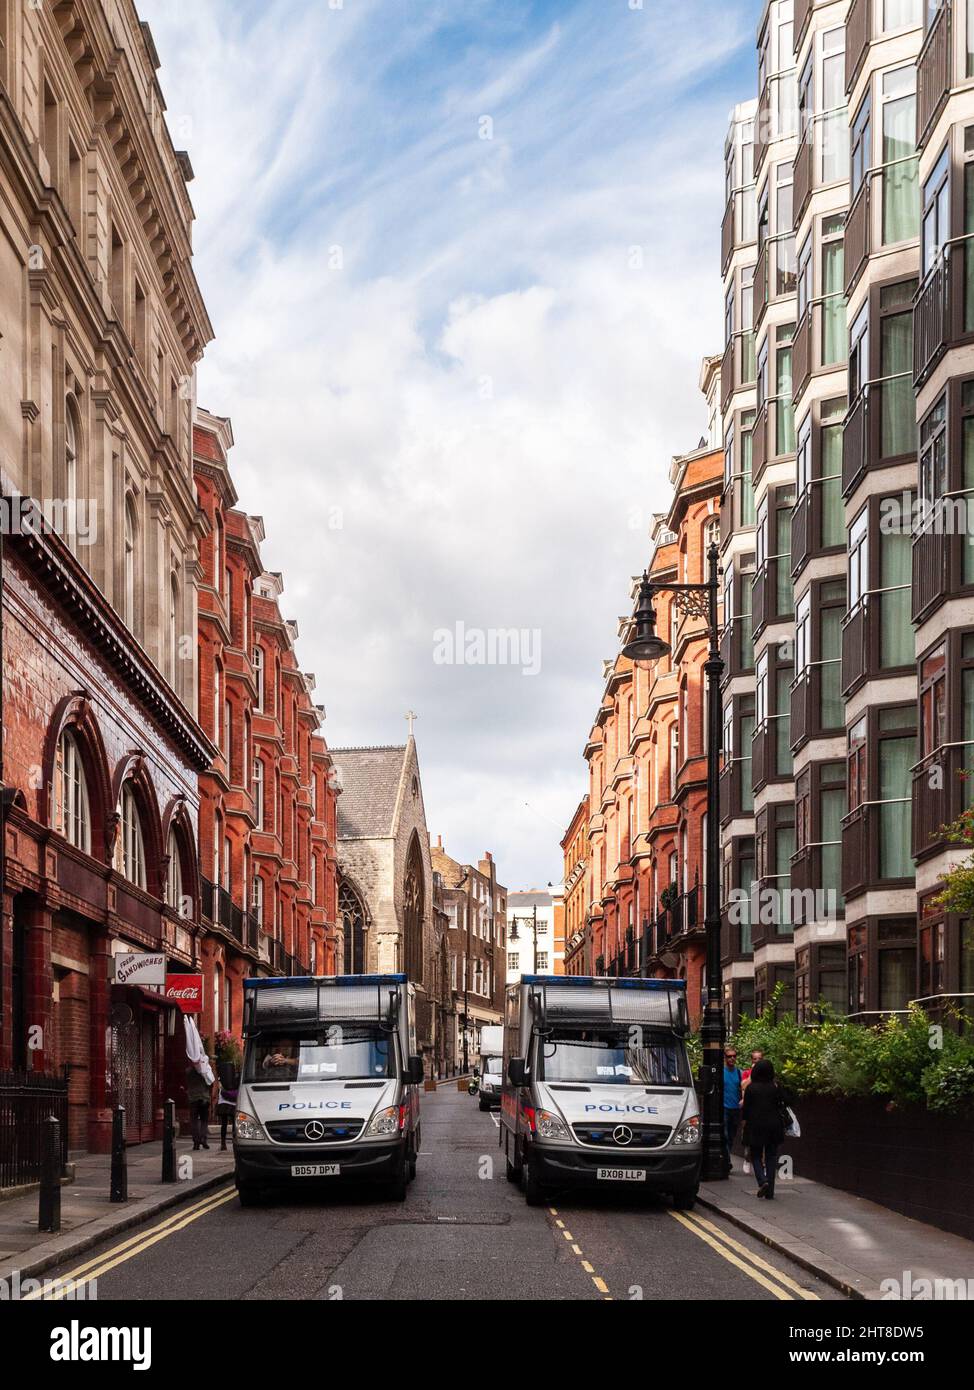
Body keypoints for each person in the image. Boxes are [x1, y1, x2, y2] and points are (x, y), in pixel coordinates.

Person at [740, 1057, 793, 1199]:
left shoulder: (751, 1088)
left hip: (755, 1125)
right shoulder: (776, 1086)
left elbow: (746, 1110)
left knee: (755, 1155)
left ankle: (762, 1181)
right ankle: (770, 1192)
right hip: (774, 1125)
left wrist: (744, 1124)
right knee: (771, 1156)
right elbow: (787, 1101)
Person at [722, 1047, 744, 1166]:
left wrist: (743, 1099)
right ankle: (727, 1161)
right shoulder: (721, 1072)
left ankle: (727, 1155)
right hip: (724, 1108)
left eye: (734, 1056)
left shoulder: (739, 1073)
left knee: (731, 1136)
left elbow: (743, 1088)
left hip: (735, 1108)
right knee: (725, 1135)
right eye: (729, 1056)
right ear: (725, 1058)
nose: (732, 1058)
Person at [185, 1065, 213, 1151]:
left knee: (194, 1120)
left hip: (193, 1098)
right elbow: (210, 1083)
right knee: (204, 1120)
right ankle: (203, 1139)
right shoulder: (206, 1070)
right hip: (204, 1098)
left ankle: (196, 1142)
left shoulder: (188, 1070)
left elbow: (187, 1083)